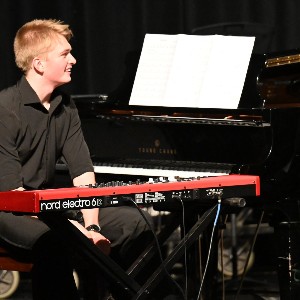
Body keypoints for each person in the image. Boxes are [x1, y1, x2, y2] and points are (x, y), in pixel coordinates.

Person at [0, 19, 152, 300]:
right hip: (9, 210)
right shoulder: (4, 109)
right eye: (64, 54)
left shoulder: (65, 106)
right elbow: (13, 194)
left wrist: (92, 225)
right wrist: (74, 227)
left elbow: (82, 172)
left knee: (134, 224)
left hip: (49, 205)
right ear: (39, 64)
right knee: (57, 240)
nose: (73, 59)